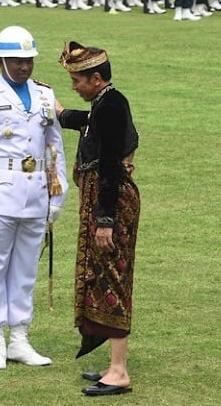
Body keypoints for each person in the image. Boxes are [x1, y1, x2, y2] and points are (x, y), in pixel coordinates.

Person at [0, 26, 68, 371]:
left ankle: (19, 338)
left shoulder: (44, 95)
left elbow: (54, 148)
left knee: (24, 270)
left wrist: (57, 195)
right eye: (17, 61)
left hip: (35, 191)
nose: (24, 67)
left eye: (29, 60)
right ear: (0, 59)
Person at [55, 41, 139, 396]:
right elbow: (86, 122)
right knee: (104, 277)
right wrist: (59, 113)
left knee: (113, 278)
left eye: (77, 80)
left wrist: (104, 220)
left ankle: (119, 372)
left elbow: (108, 166)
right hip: (106, 201)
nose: (74, 86)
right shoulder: (106, 104)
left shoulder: (111, 107)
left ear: (96, 78)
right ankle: (113, 365)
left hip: (111, 202)